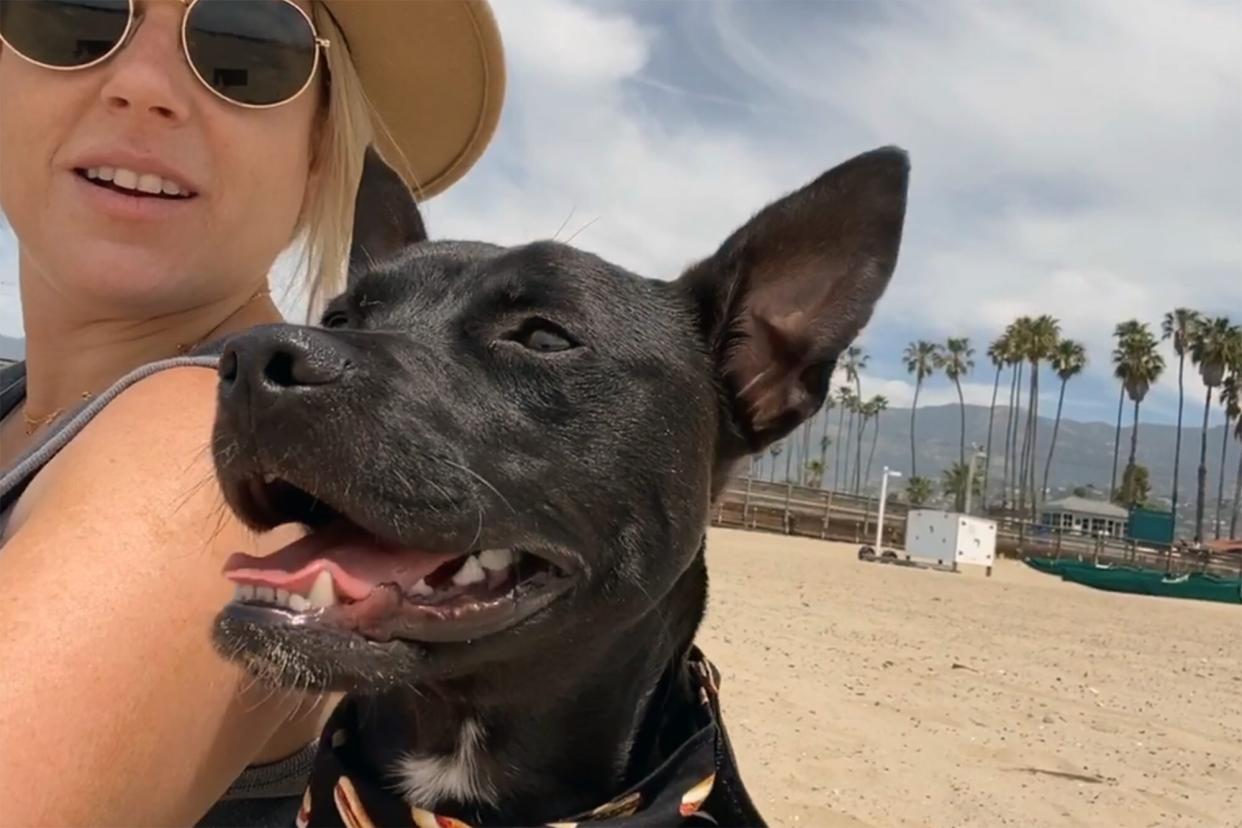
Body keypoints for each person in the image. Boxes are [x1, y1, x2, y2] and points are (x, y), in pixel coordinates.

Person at [0, 1, 505, 824]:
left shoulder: (200, 462)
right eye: (73, 13)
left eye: (244, 44)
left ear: (316, 149)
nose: (141, 86)